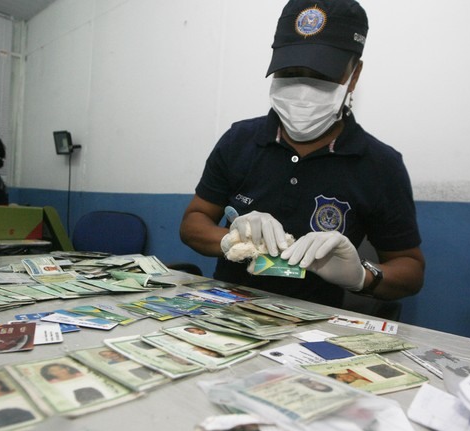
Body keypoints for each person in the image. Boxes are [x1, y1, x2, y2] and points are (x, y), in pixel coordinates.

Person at [180, 0, 425, 308]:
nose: (302, 87)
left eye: (322, 75)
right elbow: (193, 222)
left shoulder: (379, 165)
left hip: (316, 325)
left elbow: (411, 269)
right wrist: (230, 240)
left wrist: (362, 276)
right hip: (228, 308)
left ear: (354, 74)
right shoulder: (239, 141)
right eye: (290, 71)